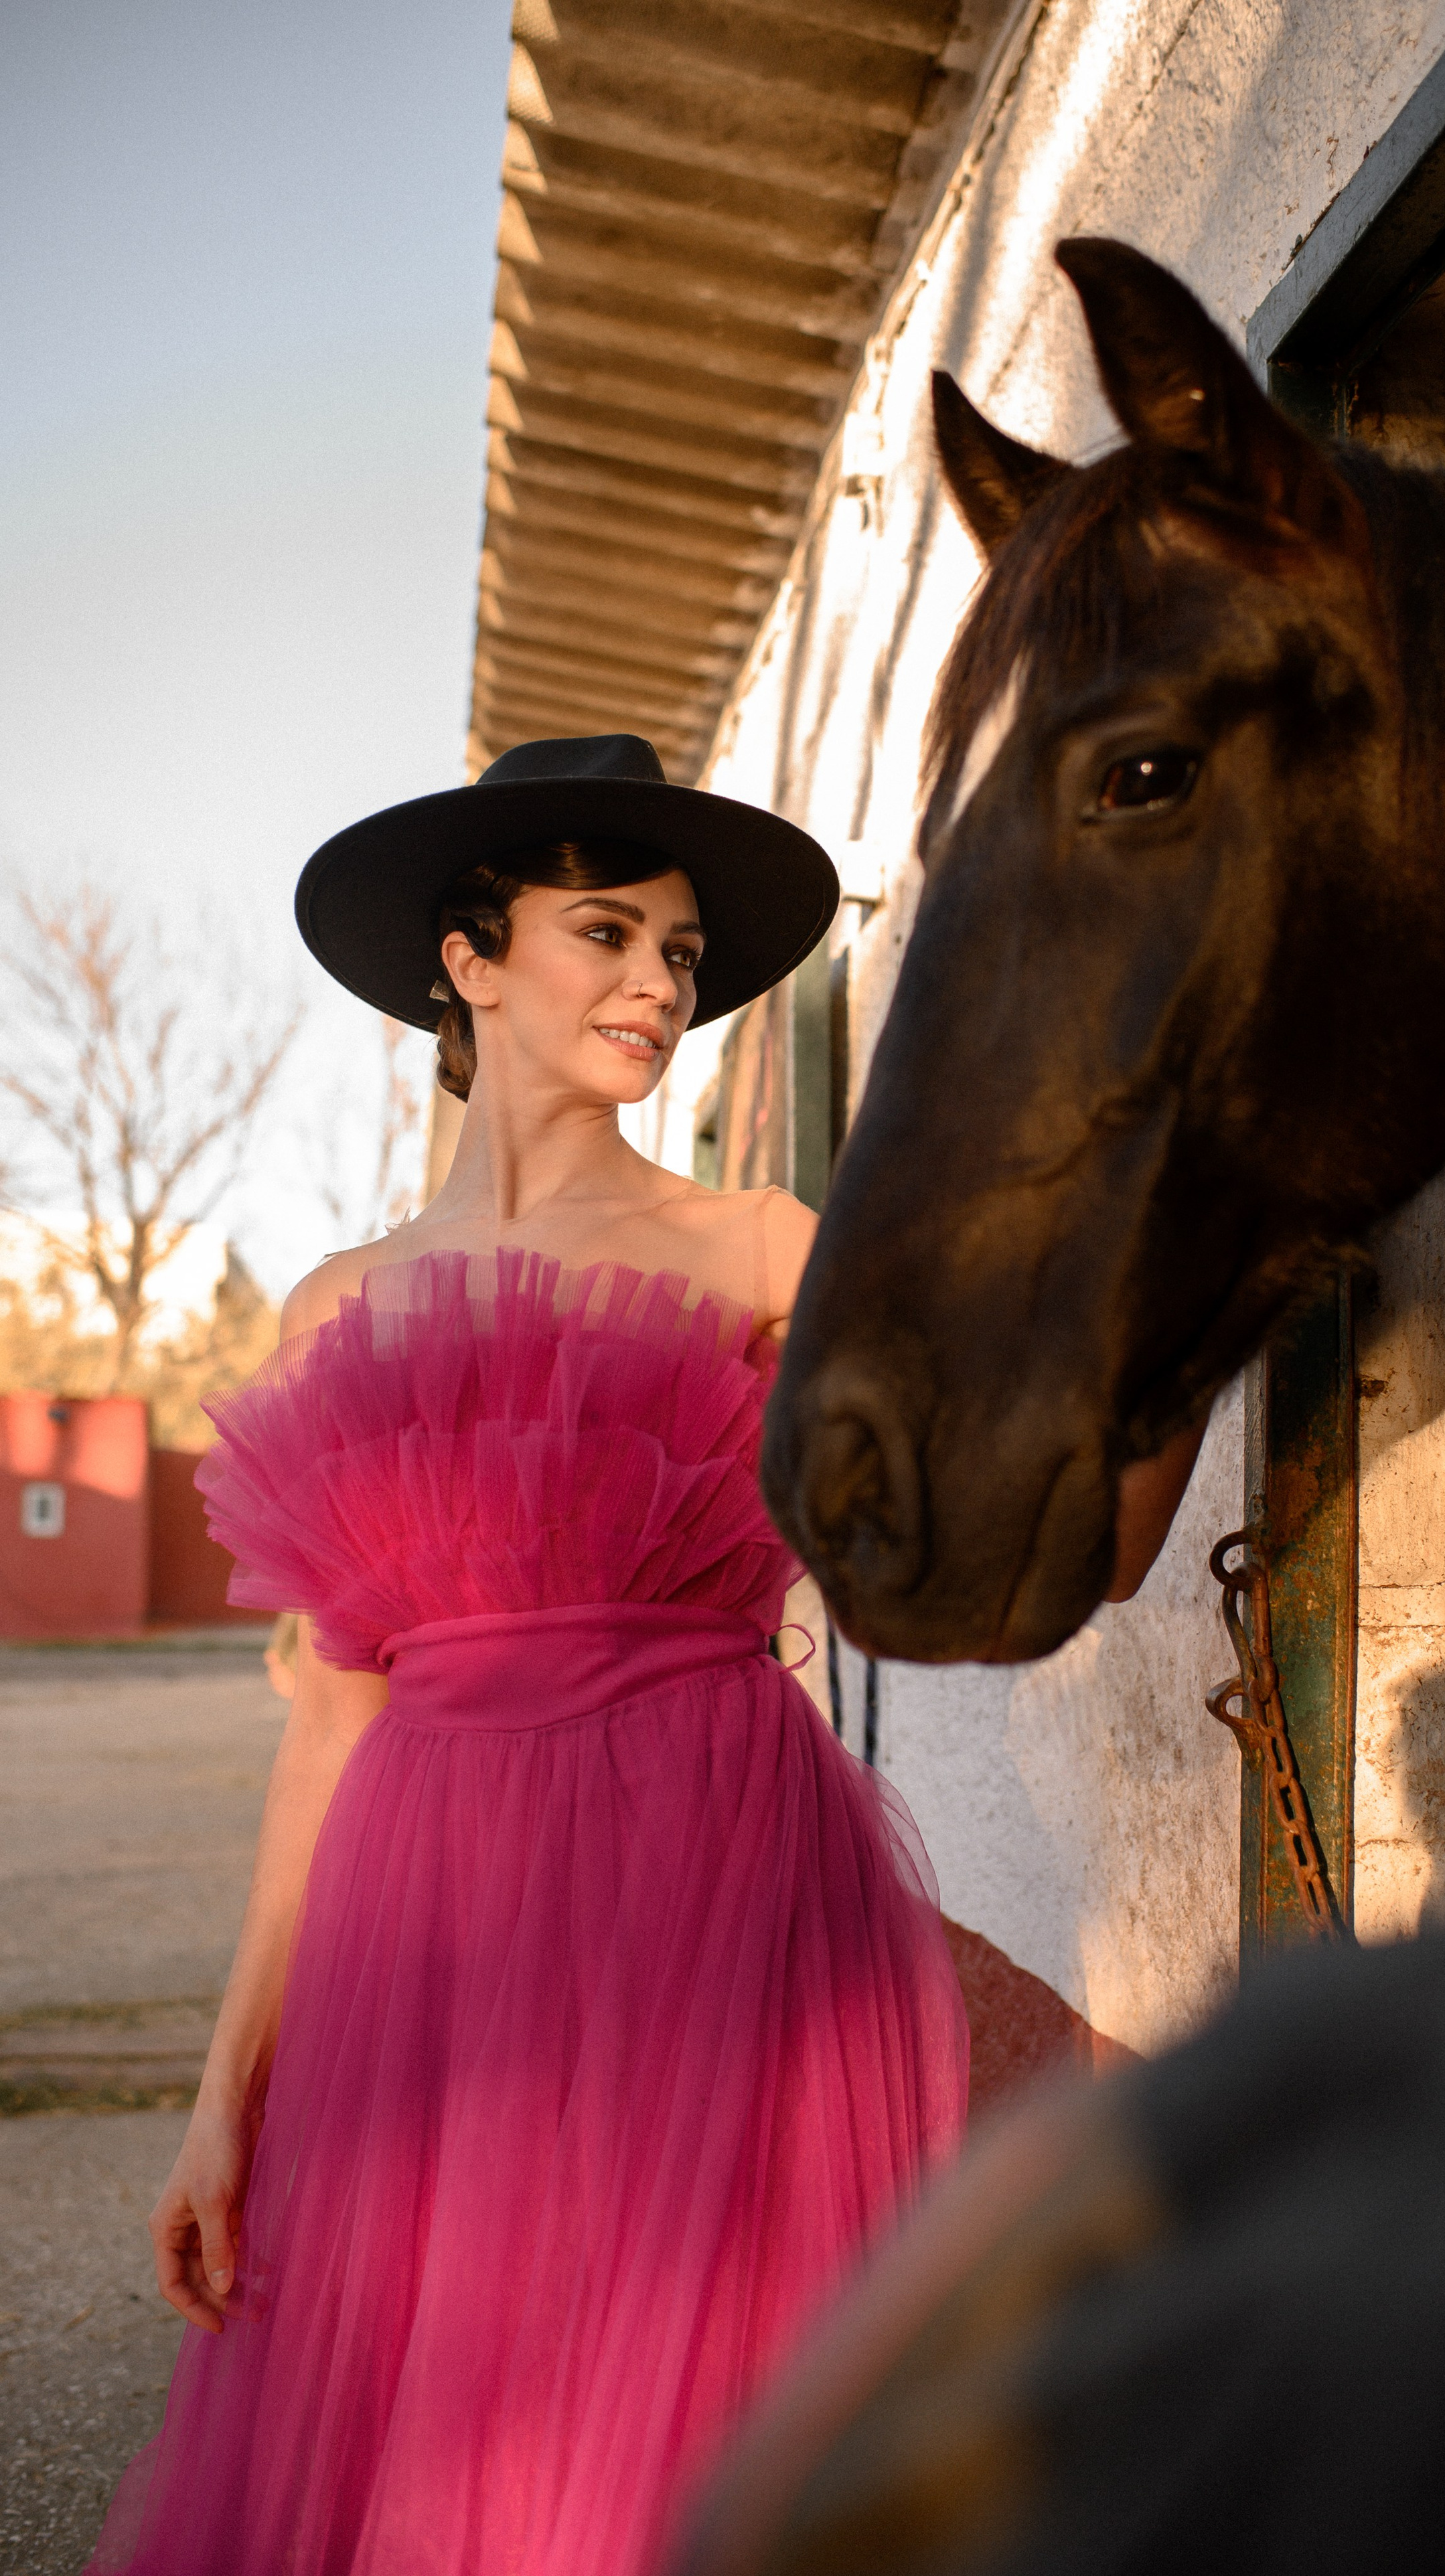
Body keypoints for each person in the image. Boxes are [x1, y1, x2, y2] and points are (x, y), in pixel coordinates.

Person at [90, 736, 969, 2576]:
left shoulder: (761, 1246)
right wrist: (219, 2099)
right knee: (447, 2429)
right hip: (428, 1931)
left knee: (692, 2417)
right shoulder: (342, 1308)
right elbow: (327, 1732)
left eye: (681, 951)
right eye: (608, 932)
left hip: (712, 1882)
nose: (660, 984)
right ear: (470, 960)